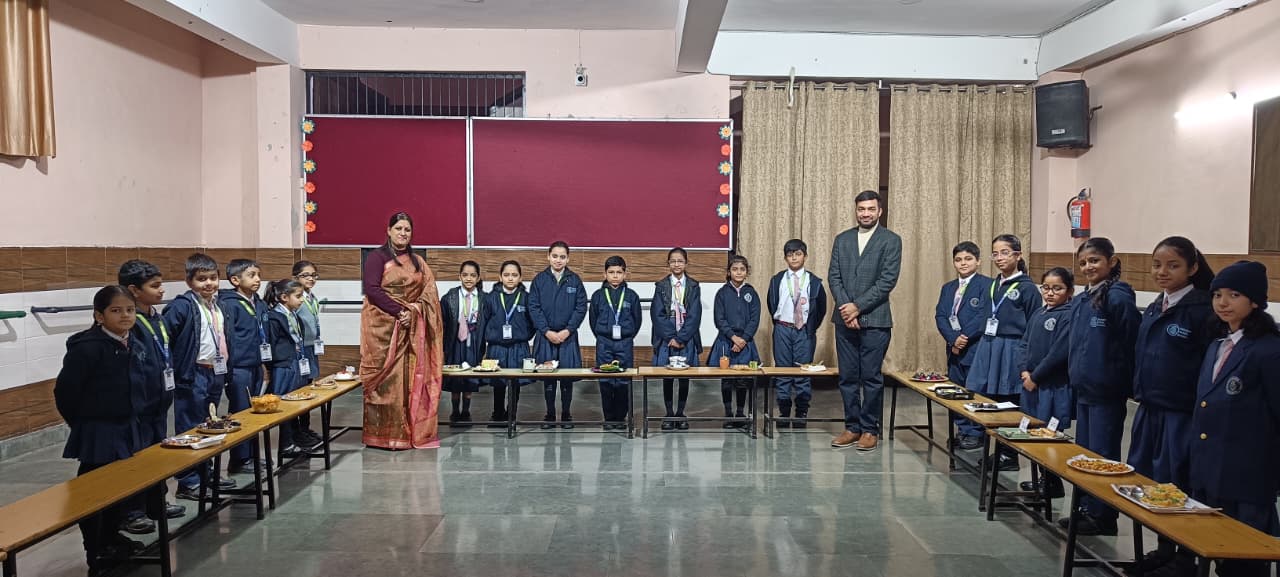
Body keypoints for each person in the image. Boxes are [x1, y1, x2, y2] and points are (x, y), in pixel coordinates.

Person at [1129, 236, 1215, 572]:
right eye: (1157, 265)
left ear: (1192, 268)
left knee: (1178, 481)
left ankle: (1184, 557)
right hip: (1150, 407)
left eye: (1172, 265)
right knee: (1152, 481)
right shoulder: (1156, 305)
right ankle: (1164, 548)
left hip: (1181, 413)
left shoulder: (1202, 310)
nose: (1162, 272)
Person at [1190, 261, 1280, 577]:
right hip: (1211, 469)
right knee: (1217, 547)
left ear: (1254, 301)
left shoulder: (1269, 350)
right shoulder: (1218, 344)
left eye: (1234, 295)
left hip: (1248, 473)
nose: (1223, 303)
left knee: (1246, 556)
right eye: (1217, 295)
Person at [53, 286, 145, 576]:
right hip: (99, 430)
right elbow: (65, 393)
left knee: (120, 488)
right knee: (94, 492)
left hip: (127, 425)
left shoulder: (132, 341)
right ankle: (95, 549)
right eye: (116, 311)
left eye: (129, 310)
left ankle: (112, 538)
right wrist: (83, 423)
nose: (125, 316)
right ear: (99, 316)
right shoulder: (88, 348)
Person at [1060, 237, 1140, 536]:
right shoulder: (1083, 298)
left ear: (1111, 261)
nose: (1088, 267)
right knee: (1086, 454)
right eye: (1083, 263)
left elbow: (1131, 342)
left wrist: (1120, 379)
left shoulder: (1118, 297)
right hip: (1084, 389)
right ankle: (1086, 507)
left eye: (1094, 260)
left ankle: (1103, 515)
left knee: (1103, 455)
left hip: (1107, 391)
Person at [360, 211, 444, 450]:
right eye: (398, 229)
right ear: (389, 231)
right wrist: (400, 312)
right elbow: (372, 290)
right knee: (386, 384)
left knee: (409, 380)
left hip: (411, 330)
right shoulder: (377, 257)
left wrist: (414, 311)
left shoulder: (417, 261)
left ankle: (408, 432)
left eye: (407, 229)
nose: (403, 233)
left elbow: (429, 291)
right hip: (383, 329)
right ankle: (383, 435)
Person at [828, 190, 902, 452]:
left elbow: (887, 281)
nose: (866, 213)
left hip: (876, 320)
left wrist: (857, 307)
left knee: (871, 377)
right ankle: (852, 427)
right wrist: (847, 310)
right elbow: (834, 277)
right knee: (848, 377)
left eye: (871, 209)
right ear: (856, 211)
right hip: (844, 320)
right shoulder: (842, 239)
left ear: (879, 211)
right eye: (862, 209)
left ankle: (870, 429)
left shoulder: (891, 240)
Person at [116, 260, 185, 535]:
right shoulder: (129, 322)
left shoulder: (156, 316)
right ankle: (132, 511)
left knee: (157, 453)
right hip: (139, 404)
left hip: (160, 400)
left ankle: (156, 502)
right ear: (134, 290)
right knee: (137, 456)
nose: (161, 290)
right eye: (154, 286)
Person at [163, 253, 236, 499]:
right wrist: (175, 370)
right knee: (189, 427)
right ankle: (188, 480)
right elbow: (166, 339)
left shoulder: (218, 304)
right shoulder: (182, 306)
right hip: (192, 373)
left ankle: (207, 473)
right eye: (201, 279)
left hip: (215, 371)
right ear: (189, 281)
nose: (208, 283)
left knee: (209, 424)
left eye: (213, 278)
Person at [966, 234, 1042, 469]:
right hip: (990, 345)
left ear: (1018, 255)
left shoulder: (1027, 288)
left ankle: (1010, 454)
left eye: (1005, 253)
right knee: (991, 400)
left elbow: (1034, 326)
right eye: (995, 254)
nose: (999, 258)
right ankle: (997, 449)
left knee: (1009, 401)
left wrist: (1027, 361)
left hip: (1011, 348)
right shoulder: (994, 284)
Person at [1015, 267, 1075, 498]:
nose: (1050, 293)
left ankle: (1053, 482)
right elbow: (1024, 344)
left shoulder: (1068, 316)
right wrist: (1024, 371)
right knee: (1033, 431)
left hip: (1052, 386)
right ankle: (1041, 478)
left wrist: (1036, 376)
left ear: (1069, 291)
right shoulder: (1038, 313)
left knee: (1050, 434)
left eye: (1057, 288)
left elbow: (1058, 354)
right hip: (1031, 384)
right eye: (1046, 288)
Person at [218, 259, 279, 470]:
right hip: (239, 367)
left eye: (259, 275)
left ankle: (252, 455)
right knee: (240, 411)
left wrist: (265, 364)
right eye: (252, 275)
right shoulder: (229, 304)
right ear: (235, 280)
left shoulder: (259, 303)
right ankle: (239, 459)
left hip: (256, 365)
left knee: (254, 411)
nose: (258, 279)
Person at [933, 241, 992, 449]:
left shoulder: (987, 285)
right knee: (956, 391)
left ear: (978, 261)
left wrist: (964, 337)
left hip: (974, 347)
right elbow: (941, 315)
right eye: (958, 260)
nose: (963, 263)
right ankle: (962, 429)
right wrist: (953, 338)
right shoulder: (948, 288)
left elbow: (984, 315)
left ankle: (976, 433)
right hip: (954, 348)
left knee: (975, 390)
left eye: (968, 259)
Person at [766, 239, 827, 429]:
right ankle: (784, 411)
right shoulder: (777, 280)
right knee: (783, 370)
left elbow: (821, 308)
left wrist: (810, 327)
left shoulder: (814, 282)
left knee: (803, 371)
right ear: (785, 258)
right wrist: (781, 324)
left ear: (805, 256)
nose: (794, 258)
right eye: (790, 255)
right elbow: (771, 304)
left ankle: (801, 412)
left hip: (804, 330)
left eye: (798, 254)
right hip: (783, 329)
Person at [529, 241, 588, 429]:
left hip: (567, 337)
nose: (558, 260)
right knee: (548, 377)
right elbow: (534, 307)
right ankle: (549, 414)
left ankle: (566, 414)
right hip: (545, 336)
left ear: (568, 259)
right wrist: (546, 331)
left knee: (566, 377)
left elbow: (580, 308)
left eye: (562, 257)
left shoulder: (575, 280)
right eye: (555, 256)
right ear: (548, 256)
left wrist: (567, 330)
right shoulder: (539, 280)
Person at [652, 247, 703, 431]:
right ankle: (668, 413)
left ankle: (680, 413)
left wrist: (681, 338)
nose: (676, 264)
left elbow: (695, 315)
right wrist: (671, 337)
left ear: (686, 263)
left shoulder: (694, 286)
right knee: (667, 375)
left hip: (686, 337)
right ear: (668, 264)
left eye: (680, 261)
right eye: (673, 261)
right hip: (666, 337)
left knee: (684, 376)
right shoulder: (661, 286)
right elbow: (657, 315)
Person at [708, 255, 761, 428]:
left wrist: (743, 339)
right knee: (727, 379)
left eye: (742, 269)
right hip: (726, 341)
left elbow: (754, 319)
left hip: (746, 342)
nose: (738, 272)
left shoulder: (751, 293)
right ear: (728, 272)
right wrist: (733, 337)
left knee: (742, 379)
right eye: (735, 269)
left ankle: (740, 413)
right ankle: (728, 413)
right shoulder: (722, 293)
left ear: (747, 272)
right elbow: (719, 319)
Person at [589, 256, 641, 430]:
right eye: (611, 272)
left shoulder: (631, 296)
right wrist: (602, 336)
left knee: (623, 380)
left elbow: (637, 320)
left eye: (619, 272)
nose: (615, 276)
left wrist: (627, 336)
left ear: (625, 274)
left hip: (624, 343)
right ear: (605, 274)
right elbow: (593, 320)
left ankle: (620, 418)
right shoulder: (598, 296)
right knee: (605, 380)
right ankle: (609, 418)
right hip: (604, 343)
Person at [481, 260, 532, 425]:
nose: (510, 278)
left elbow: (533, 323)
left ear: (520, 278)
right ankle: (497, 413)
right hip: (497, 346)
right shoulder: (491, 298)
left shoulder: (526, 298)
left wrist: (523, 335)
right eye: (507, 275)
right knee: (498, 382)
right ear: (500, 277)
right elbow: (483, 321)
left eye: (514, 275)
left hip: (518, 346)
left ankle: (512, 414)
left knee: (515, 382)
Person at [265, 278, 310, 457]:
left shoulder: (293, 314)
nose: (302, 300)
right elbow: (272, 343)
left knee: (293, 403)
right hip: (282, 366)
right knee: (283, 404)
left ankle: (293, 439)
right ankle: (285, 444)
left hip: (295, 362)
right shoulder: (274, 317)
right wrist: (273, 365)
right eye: (298, 296)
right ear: (284, 297)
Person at [441, 261, 486, 426]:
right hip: (455, 342)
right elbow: (443, 322)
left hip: (473, 341)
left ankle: (466, 411)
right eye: (465, 275)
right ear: (459, 276)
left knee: (469, 377)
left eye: (473, 275)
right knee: (455, 378)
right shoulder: (450, 297)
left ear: (478, 278)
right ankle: (455, 410)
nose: (469, 278)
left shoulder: (484, 298)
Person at [293, 260, 324, 447]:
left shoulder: (312, 297)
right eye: (305, 275)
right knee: (298, 390)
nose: (311, 279)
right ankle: (296, 432)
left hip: (311, 348)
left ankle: (305, 428)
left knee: (308, 389)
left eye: (313, 275)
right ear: (295, 277)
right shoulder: (295, 298)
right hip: (300, 349)